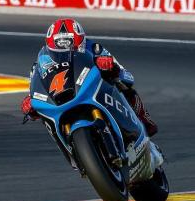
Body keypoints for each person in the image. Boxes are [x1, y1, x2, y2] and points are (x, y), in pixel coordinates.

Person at [21, 18, 158, 138]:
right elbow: (35, 89)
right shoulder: (40, 63)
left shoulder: (94, 48)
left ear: (81, 41)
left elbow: (126, 75)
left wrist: (109, 66)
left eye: (69, 45)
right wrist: (29, 103)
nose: (63, 51)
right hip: (61, 98)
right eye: (58, 47)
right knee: (45, 118)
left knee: (124, 85)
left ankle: (144, 119)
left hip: (91, 88)